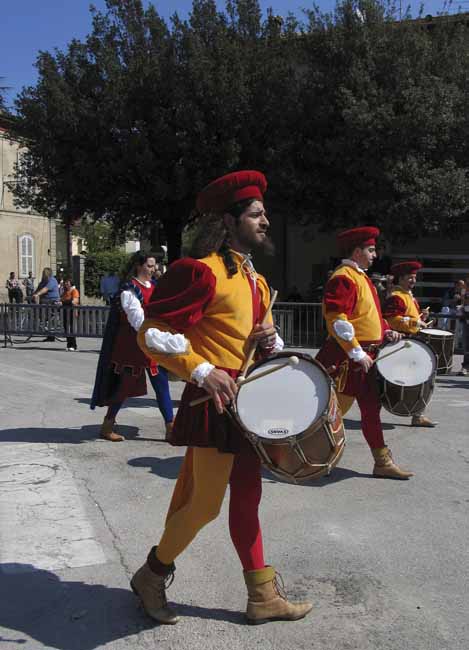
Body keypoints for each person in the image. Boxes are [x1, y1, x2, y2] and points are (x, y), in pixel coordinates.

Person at [131, 170, 312, 625]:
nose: (265, 221)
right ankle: (151, 575)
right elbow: (151, 333)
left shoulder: (257, 281)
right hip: (212, 406)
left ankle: (262, 595)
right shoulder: (201, 272)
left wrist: (269, 342)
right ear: (229, 222)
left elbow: (248, 341)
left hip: (247, 407)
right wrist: (202, 370)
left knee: (248, 499)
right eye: (255, 214)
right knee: (204, 505)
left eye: (264, 213)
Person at [316, 226, 413, 480]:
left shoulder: (361, 277)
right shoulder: (343, 277)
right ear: (357, 251)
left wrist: (385, 331)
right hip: (346, 359)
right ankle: (309, 456)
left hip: (363, 358)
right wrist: (356, 352)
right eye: (370, 250)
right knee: (329, 411)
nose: (374, 255)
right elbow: (337, 319)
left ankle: (382, 461)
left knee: (370, 409)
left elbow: (369, 315)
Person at [91, 252, 174, 441]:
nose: (154, 270)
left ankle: (171, 428)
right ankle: (107, 426)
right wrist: (157, 336)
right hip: (131, 347)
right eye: (150, 266)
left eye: (154, 266)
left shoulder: (154, 287)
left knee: (161, 385)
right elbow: (138, 320)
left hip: (151, 345)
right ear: (139, 266)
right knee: (123, 388)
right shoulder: (129, 291)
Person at [383, 261, 436, 426]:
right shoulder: (396, 297)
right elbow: (391, 319)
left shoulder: (409, 296)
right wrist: (414, 322)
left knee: (423, 377)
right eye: (410, 278)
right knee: (388, 379)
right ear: (401, 279)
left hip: (412, 342)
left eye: (414, 277)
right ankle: (373, 414)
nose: (413, 281)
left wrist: (422, 317)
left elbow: (411, 318)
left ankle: (418, 415)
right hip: (400, 343)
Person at [32, 268, 61, 341]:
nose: (43, 275)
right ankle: (46, 330)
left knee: (45, 313)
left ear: (48, 274)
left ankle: (45, 326)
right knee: (36, 311)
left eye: (44, 273)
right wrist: (32, 295)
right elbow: (38, 289)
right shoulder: (43, 281)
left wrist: (38, 294)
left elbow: (45, 289)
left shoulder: (52, 280)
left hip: (52, 302)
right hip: (44, 302)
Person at [61, 278, 80, 351]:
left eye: (67, 283)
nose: (66, 284)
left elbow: (75, 301)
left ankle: (73, 345)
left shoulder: (74, 291)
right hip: (66, 311)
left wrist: (64, 302)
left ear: (71, 283)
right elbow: (62, 299)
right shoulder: (65, 292)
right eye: (65, 283)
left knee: (71, 328)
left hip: (72, 311)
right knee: (66, 328)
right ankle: (69, 344)